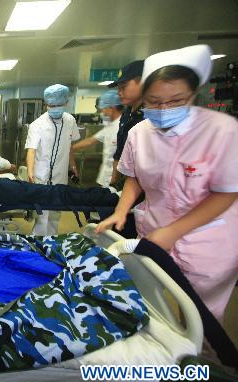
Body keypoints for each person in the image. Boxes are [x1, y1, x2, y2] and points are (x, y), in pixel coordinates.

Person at [96, 45, 238, 323]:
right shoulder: (139, 132)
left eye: (175, 101)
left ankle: (202, 363)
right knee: (150, 301)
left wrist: (174, 231)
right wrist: (121, 210)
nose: (163, 109)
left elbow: (227, 193)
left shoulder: (222, 131)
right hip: (154, 229)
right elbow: (133, 178)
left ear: (193, 96)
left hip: (207, 240)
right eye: (154, 101)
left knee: (201, 320)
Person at [25, 84, 80, 235]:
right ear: (46, 104)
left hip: (60, 175)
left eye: (58, 105)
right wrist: (30, 171)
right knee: (42, 215)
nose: (55, 108)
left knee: (55, 214)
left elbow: (70, 147)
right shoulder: (38, 124)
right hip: (41, 175)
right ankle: (39, 242)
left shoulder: (70, 121)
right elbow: (31, 149)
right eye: (52, 105)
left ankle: (52, 242)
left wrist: (73, 167)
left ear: (66, 103)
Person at [72, 90, 124, 187]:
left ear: (111, 108)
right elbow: (91, 140)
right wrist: (70, 148)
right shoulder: (110, 125)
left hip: (115, 181)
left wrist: (114, 180)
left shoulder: (124, 127)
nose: (103, 112)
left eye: (103, 109)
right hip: (105, 178)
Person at [108, 60, 145, 187]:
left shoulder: (151, 116)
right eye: (118, 88)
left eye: (123, 87)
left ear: (143, 82)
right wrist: (113, 182)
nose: (119, 92)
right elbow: (120, 151)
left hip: (141, 185)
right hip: (124, 183)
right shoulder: (126, 113)